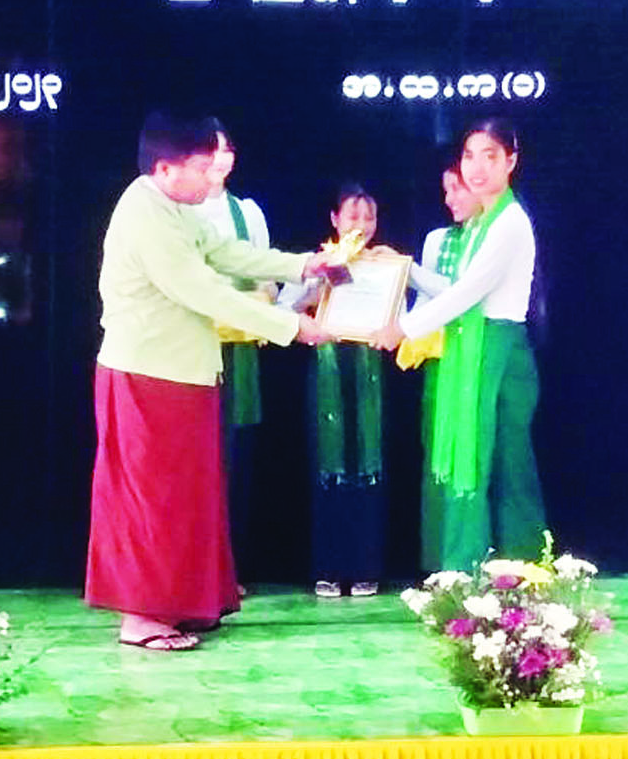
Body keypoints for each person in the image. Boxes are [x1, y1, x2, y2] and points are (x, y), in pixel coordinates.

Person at [86, 113, 332, 650]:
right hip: (146, 376)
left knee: (188, 498)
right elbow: (205, 290)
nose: (211, 176)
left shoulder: (178, 207)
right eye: (201, 167)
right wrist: (292, 327)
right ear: (165, 168)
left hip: (185, 375)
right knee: (150, 500)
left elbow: (225, 252)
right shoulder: (144, 215)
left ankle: (183, 604)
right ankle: (141, 618)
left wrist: (305, 266)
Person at [374, 120, 545, 571]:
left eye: (490, 156)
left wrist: (403, 329)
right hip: (475, 344)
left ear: (511, 161)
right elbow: (456, 291)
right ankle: (475, 571)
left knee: (489, 459)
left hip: (495, 346)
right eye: (470, 156)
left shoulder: (508, 222)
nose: (477, 167)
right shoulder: (479, 224)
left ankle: (503, 571)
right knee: (485, 457)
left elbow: (468, 293)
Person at [289, 184, 389, 597]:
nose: (361, 225)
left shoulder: (386, 265)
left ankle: (366, 567)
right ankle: (328, 568)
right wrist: (318, 285)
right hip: (326, 371)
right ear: (335, 219)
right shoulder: (316, 262)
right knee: (326, 468)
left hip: (369, 374)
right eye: (352, 216)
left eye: (369, 217)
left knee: (369, 469)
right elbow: (281, 309)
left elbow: (402, 315)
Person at [190, 122, 272, 577]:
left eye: (228, 149)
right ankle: (197, 566)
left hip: (239, 350)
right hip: (194, 347)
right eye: (213, 149)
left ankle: (229, 568)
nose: (221, 158)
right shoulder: (181, 210)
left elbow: (267, 279)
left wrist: (266, 303)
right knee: (198, 456)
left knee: (235, 456)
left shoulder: (247, 212)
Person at [405, 161, 481, 572]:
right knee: (438, 455)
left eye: (457, 189)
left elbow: (465, 294)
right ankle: (439, 565)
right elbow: (426, 302)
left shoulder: (494, 236)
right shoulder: (438, 239)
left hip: (480, 358)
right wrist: (396, 328)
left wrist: (409, 271)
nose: (449, 199)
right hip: (441, 360)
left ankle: (478, 562)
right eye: (446, 190)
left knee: (474, 457)